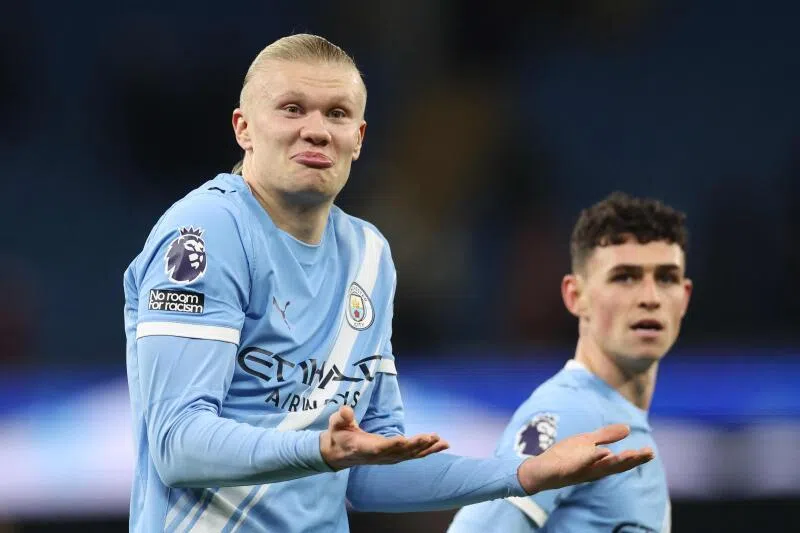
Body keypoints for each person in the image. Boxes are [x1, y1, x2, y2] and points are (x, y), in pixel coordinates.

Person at [123, 34, 653, 533]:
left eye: (337, 114)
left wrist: (519, 475)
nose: (316, 129)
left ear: (359, 137)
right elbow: (179, 446)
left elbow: (373, 468)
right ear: (243, 128)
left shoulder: (370, 255)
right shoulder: (207, 232)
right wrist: (320, 451)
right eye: (292, 109)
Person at [448, 192, 692, 532]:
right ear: (575, 296)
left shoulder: (619, 421)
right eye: (625, 277)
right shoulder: (567, 414)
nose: (649, 298)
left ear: (684, 297)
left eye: (665, 278)